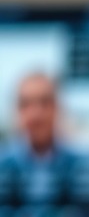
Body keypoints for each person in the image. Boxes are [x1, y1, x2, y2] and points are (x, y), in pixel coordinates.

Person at [0, 71, 83, 207]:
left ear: (58, 107)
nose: (36, 114)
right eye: (26, 104)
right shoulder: (3, 167)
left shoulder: (81, 167)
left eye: (44, 102)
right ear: (17, 111)